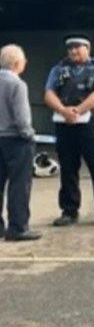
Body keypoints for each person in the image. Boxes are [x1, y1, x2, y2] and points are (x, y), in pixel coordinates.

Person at [43, 35, 94, 227]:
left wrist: (78, 110)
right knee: (68, 170)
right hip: (65, 125)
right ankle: (69, 211)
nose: (73, 52)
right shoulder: (58, 69)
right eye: (70, 49)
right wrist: (63, 110)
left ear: (88, 49)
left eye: (78, 48)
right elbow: (49, 93)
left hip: (91, 126)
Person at [0, 44, 41, 241]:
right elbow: (22, 118)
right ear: (17, 63)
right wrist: (29, 135)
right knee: (19, 185)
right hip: (16, 141)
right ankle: (18, 227)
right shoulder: (18, 85)